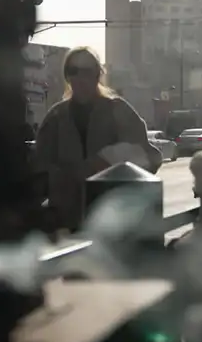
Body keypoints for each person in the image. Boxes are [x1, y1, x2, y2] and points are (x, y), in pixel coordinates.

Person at [31, 47, 162, 232]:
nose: (80, 78)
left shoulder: (118, 111)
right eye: (73, 71)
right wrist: (70, 177)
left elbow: (152, 158)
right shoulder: (55, 118)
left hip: (114, 223)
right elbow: (39, 173)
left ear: (97, 74)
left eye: (87, 71)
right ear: (67, 76)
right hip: (67, 224)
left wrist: (113, 163)